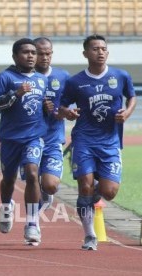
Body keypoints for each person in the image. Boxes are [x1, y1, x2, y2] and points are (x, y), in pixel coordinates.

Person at [59, 34, 136, 251]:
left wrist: (127, 113)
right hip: (83, 140)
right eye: (95, 49)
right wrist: (68, 112)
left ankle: (94, 191)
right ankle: (90, 235)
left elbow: (132, 97)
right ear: (85, 54)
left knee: (109, 191)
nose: (100, 52)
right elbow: (62, 107)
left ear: (107, 52)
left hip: (110, 142)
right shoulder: (75, 82)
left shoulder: (120, 76)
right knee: (84, 185)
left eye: (103, 48)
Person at [0, 38, 53, 246]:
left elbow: (42, 106)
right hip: (10, 139)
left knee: (33, 173)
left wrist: (47, 108)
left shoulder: (42, 79)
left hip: (34, 137)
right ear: (15, 56)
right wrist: (15, 94)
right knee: (8, 179)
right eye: (25, 52)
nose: (31, 56)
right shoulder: (5, 77)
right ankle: (6, 206)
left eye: (33, 52)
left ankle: (32, 223)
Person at [33, 37, 70, 210]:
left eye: (48, 53)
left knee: (50, 185)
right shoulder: (23, 77)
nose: (45, 57)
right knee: (30, 184)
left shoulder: (63, 76)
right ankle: (30, 222)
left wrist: (63, 111)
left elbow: (69, 104)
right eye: (40, 54)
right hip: (28, 139)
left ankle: (34, 219)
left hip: (53, 138)